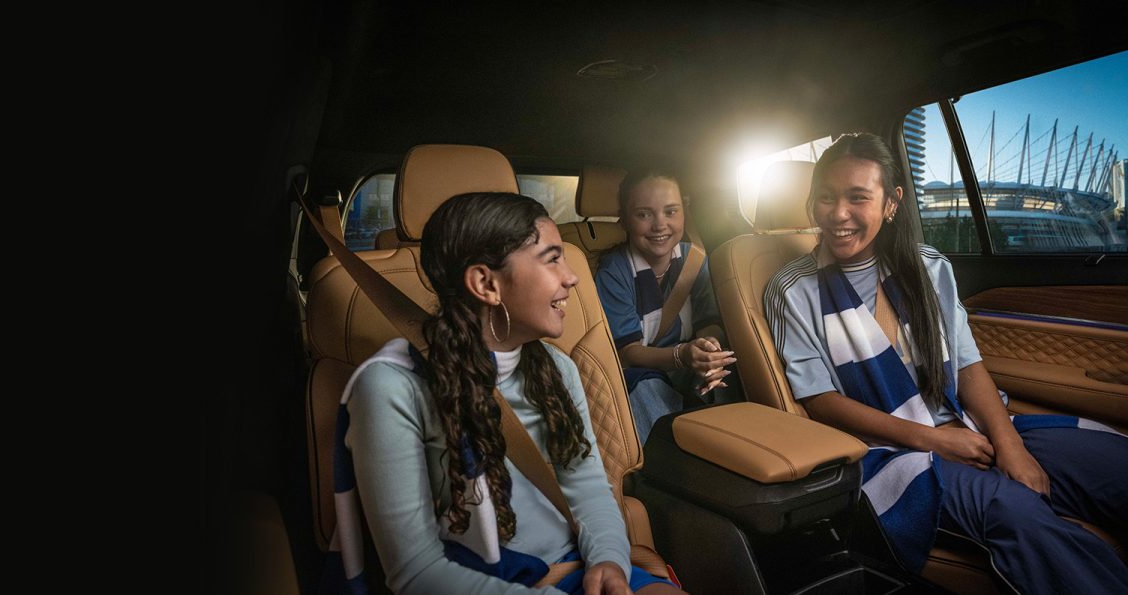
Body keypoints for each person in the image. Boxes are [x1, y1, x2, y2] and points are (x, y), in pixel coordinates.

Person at [763, 132, 1128, 592]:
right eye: (826, 198)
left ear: (891, 203)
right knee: (1013, 511)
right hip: (886, 452)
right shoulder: (792, 289)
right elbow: (820, 400)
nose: (838, 214)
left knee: (1115, 463)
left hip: (966, 425)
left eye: (858, 197)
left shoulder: (929, 266)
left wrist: (1009, 444)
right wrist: (932, 440)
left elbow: (968, 366)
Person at [342, 193, 684, 594]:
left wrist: (609, 560)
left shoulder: (557, 369)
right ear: (487, 283)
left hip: (575, 566)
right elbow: (415, 572)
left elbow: (588, 489)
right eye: (552, 258)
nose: (571, 277)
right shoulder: (392, 386)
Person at [594, 173, 732, 440]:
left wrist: (708, 349)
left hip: (688, 364)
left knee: (728, 366)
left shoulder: (694, 260)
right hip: (639, 371)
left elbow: (709, 322)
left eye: (671, 212)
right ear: (623, 220)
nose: (660, 225)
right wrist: (682, 356)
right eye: (644, 215)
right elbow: (627, 352)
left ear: (685, 212)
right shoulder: (615, 269)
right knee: (644, 386)